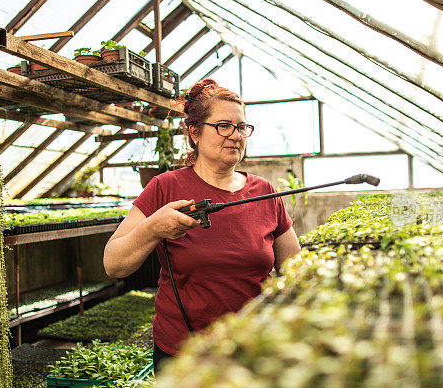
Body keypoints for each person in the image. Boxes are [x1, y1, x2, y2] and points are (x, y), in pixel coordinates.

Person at [103, 79, 301, 371]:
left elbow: (296, 269)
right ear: (194, 132)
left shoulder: (265, 192)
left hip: (254, 350)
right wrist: (154, 227)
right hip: (183, 354)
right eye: (223, 126)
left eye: (241, 127)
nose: (235, 135)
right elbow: (113, 264)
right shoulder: (165, 187)